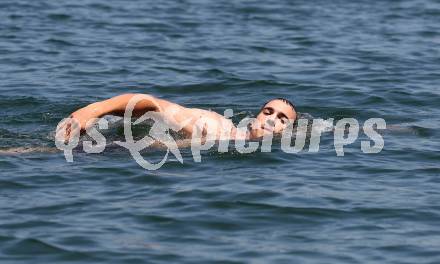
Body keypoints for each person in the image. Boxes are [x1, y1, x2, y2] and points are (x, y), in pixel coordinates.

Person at [58, 93, 297, 142]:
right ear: (255, 116)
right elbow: (154, 104)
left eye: (282, 119)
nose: (272, 119)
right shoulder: (213, 127)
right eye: (268, 112)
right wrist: (93, 111)